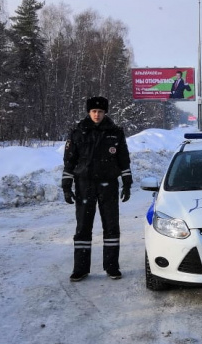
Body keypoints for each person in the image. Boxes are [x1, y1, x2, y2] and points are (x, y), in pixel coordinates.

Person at [61, 96, 133, 282]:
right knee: (83, 227)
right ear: (88, 112)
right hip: (85, 185)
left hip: (108, 185)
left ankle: (112, 267)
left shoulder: (115, 132)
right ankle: (81, 269)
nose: (97, 114)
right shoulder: (78, 132)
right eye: (94, 111)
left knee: (111, 227)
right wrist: (67, 186)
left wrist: (127, 183)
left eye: (100, 111)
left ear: (105, 112)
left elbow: (123, 159)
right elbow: (69, 161)